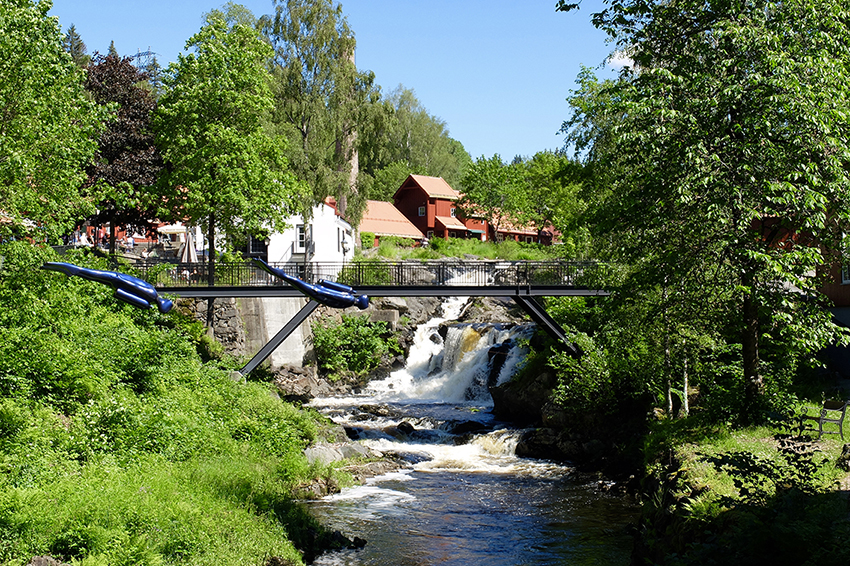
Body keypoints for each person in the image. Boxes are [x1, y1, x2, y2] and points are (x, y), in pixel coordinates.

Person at [41, 262, 173, 313]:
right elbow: (130, 291)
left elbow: (131, 289)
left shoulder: (151, 295)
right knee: (90, 274)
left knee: (90, 273)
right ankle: (66, 269)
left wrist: (119, 279)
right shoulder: (149, 298)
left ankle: (67, 269)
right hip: (118, 281)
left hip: (118, 279)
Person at [252, 258, 368, 309]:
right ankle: (275, 272)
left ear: (361, 301)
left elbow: (333, 294)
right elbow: (336, 290)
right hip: (318, 294)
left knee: (296, 281)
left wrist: (320, 289)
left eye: (364, 297)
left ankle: (278, 272)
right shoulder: (350, 298)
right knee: (295, 283)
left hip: (318, 292)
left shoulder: (350, 299)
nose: (364, 295)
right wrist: (325, 283)